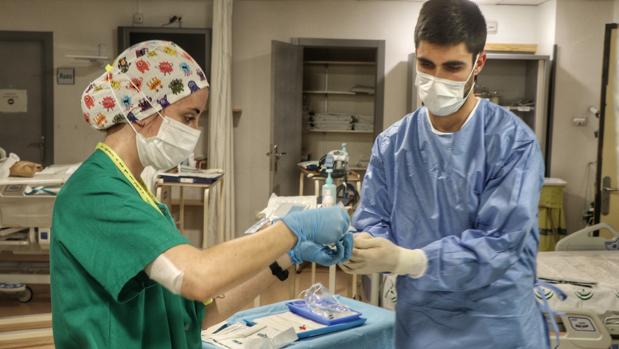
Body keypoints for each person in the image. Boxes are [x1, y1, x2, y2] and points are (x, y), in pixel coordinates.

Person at [50, 40, 352, 348]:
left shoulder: (139, 193)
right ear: (141, 111)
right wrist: (292, 230)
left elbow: (194, 317)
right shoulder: (94, 193)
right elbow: (198, 276)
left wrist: (288, 257)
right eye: (188, 117)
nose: (195, 131)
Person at [340, 1, 548, 348]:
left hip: (495, 326)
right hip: (422, 324)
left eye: (452, 67)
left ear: (478, 63)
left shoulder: (512, 143)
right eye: (426, 64)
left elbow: (500, 242)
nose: (436, 79)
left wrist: (412, 260)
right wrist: (359, 248)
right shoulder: (393, 144)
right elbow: (373, 220)